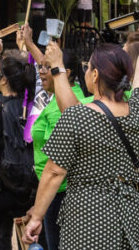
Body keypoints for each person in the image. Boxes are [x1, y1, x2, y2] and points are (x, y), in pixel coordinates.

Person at [24, 44, 139, 248]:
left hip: (88, 217)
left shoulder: (78, 117)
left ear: (95, 75)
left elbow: (54, 172)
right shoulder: (136, 112)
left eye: (87, 68)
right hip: (130, 216)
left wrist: (36, 217)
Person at [29, 44, 90, 250]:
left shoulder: (61, 109)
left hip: (59, 194)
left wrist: (39, 209)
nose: (41, 72)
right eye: (40, 67)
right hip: (56, 194)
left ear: (66, 72)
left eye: (47, 67)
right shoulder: (67, 97)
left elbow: (57, 168)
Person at [0, 51, 37, 250]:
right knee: (28, 241)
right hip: (30, 189)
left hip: (0, 189)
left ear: (3, 80)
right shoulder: (32, 106)